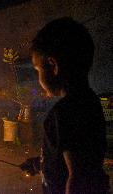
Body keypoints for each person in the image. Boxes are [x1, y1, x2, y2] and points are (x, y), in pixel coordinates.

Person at [20, 17, 110, 194]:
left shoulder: (65, 112)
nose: (38, 78)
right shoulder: (89, 102)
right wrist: (41, 164)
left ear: (53, 66)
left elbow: (79, 176)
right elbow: (80, 158)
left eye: (38, 69)